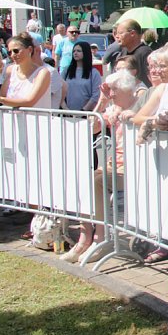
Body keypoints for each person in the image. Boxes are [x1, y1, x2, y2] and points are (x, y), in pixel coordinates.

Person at [60, 69, 141, 263]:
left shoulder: (140, 106)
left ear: (125, 89)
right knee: (82, 177)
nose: (110, 93)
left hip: (134, 167)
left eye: (113, 90)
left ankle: (101, 237)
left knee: (98, 181)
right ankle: (85, 237)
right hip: (114, 166)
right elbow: (91, 126)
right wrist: (102, 102)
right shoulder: (113, 108)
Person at [0, 33, 51, 109]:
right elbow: (3, 96)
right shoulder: (10, 70)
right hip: (12, 116)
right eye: (10, 52)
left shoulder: (42, 73)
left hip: (35, 116)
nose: (12, 55)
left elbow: (29, 102)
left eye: (16, 51)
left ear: (30, 50)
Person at [62, 41, 102, 112]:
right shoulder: (66, 71)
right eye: (74, 51)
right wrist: (66, 109)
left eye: (79, 51)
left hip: (86, 113)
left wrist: (83, 110)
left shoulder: (94, 73)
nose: (75, 53)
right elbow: (60, 90)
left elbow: (96, 95)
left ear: (86, 52)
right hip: (67, 113)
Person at [115, 19, 153, 86]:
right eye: (116, 33)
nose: (117, 36)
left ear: (132, 33)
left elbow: (151, 79)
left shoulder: (145, 53)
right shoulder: (123, 51)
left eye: (120, 33)